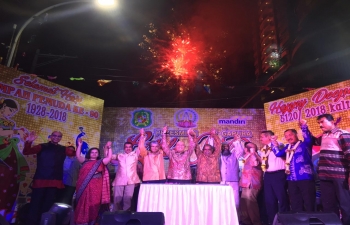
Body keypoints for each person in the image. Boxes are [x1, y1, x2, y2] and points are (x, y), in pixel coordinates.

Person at [23, 131, 75, 225]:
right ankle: (31, 222)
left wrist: (79, 145)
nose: (56, 137)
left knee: (48, 204)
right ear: (51, 136)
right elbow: (26, 152)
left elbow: (74, 154)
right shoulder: (42, 146)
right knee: (35, 203)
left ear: (60, 138)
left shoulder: (63, 149)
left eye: (59, 136)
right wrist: (29, 141)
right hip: (41, 179)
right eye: (54, 135)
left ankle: (44, 222)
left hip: (54, 180)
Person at [312, 114, 350, 224]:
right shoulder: (323, 136)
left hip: (340, 176)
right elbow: (311, 141)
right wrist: (304, 127)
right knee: (328, 205)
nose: (320, 125)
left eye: (322, 122)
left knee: (345, 204)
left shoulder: (342, 134)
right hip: (324, 176)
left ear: (332, 121)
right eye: (319, 123)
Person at [272, 121, 315, 212]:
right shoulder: (287, 147)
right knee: (295, 203)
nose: (288, 137)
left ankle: (312, 220)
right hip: (291, 179)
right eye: (286, 136)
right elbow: (278, 154)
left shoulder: (304, 144)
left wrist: (303, 126)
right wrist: (273, 142)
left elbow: (308, 138)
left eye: (290, 135)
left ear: (296, 134)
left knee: (309, 202)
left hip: (305, 178)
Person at [0, 98, 28, 220]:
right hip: (2, 151)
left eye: (13, 112)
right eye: (10, 110)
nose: (11, 113)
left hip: (10, 152)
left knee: (10, 180)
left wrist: (22, 136)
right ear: (4, 106)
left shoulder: (9, 122)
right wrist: (17, 131)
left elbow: (10, 136)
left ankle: (4, 212)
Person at [74, 138, 112, 225]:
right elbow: (78, 156)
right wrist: (79, 145)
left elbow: (109, 157)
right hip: (83, 186)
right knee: (82, 203)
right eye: (92, 152)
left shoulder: (101, 162)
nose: (94, 154)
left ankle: (92, 221)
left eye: (96, 152)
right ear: (89, 153)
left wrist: (109, 148)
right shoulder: (85, 161)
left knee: (94, 203)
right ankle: (81, 221)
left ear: (98, 154)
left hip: (96, 186)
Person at [259, 130, 288, 224]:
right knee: (269, 200)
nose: (260, 139)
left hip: (278, 174)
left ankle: (285, 221)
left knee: (282, 198)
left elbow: (283, 155)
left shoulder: (279, 145)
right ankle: (272, 221)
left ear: (269, 137)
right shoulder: (264, 148)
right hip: (267, 175)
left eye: (262, 137)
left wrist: (274, 143)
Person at [112, 141, 141, 211]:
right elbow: (109, 157)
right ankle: (116, 215)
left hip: (131, 180)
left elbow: (141, 147)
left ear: (132, 148)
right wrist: (108, 148)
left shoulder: (135, 155)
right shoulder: (119, 155)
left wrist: (142, 136)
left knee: (128, 199)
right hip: (119, 180)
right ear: (124, 148)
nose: (128, 148)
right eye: (126, 147)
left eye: (129, 147)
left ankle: (126, 216)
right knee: (117, 199)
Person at [220, 134, 243, 218]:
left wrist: (237, 141)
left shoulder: (234, 155)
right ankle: (224, 218)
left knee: (235, 201)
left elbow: (240, 151)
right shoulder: (219, 157)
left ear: (230, 148)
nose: (226, 148)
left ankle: (236, 219)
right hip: (222, 182)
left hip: (233, 182)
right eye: (224, 147)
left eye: (227, 147)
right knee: (223, 201)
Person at [240, 142, 263, 225]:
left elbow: (256, 163)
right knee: (244, 203)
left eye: (252, 148)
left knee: (250, 203)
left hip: (253, 183)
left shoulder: (256, 156)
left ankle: (256, 222)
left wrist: (253, 153)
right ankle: (246, 221)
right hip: (245, 183)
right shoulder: (246, 157)